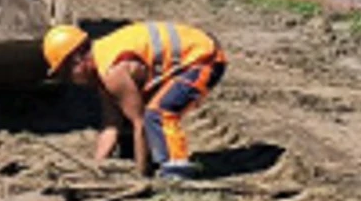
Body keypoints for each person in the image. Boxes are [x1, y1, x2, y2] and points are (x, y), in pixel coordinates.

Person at [42, 21, 227, 179]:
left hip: (205, 59)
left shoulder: (112, 73)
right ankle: (151, 160)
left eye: (66, 73)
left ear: (78, 60)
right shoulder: (102, 65)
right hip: (193, 56)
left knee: (158, 112)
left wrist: (141, 174)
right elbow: (111, 125)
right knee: (134, 112)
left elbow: (140, 123)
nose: (69, 80)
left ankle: (176, 170)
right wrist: (95, 168)